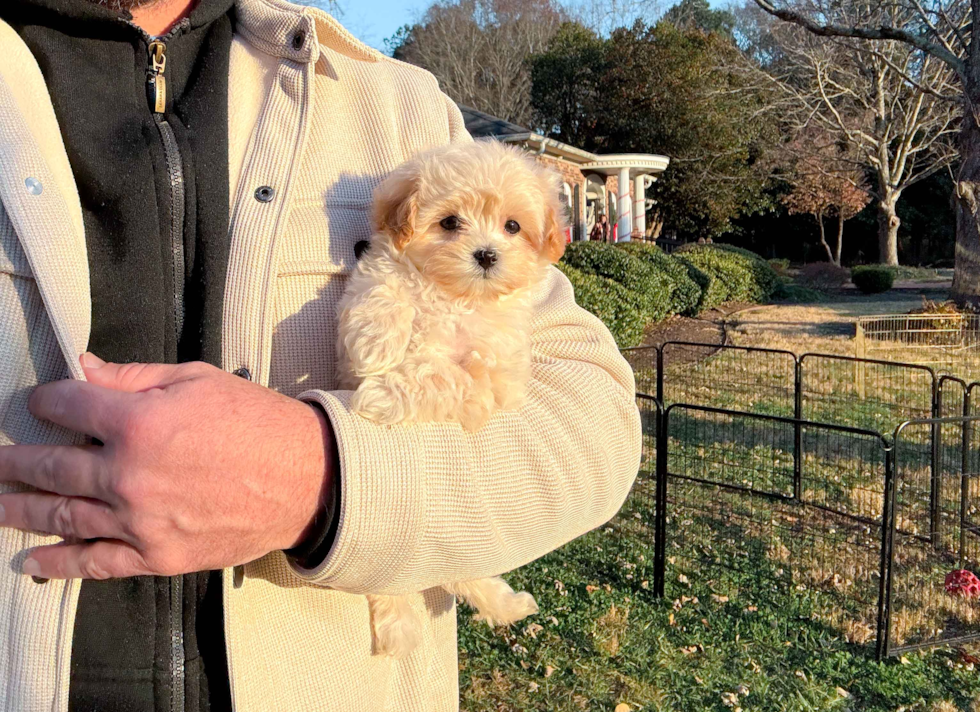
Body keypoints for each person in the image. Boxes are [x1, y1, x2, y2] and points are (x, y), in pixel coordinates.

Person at [0, 1, 641, 711]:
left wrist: (324, 480)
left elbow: (597, 430)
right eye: (453, 222)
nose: (484, 240)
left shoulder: (400, 105)